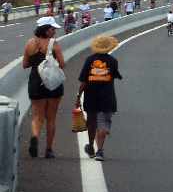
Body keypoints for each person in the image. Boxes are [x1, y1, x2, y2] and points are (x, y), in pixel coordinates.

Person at [23, 17, 66, 158]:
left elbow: (25, 65)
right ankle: (48, 150)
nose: (54, 31)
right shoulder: (54, 44)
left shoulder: (30, 43)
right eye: (52, 29)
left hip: (35, 82)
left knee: (37, 116)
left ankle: (35, 136)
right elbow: (62, 63)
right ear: (46, 29)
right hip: (53, 84)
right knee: (51, 118)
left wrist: (37, 63)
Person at [75, 36, 122, 161]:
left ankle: (91, 145)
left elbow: (83, 81)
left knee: (91, 121)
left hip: (90, 95)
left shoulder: (89, 60)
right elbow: (116, 75)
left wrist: (78, 96)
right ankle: (100, 150)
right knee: (103, 122)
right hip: (107, 96)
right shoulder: (113, 61)